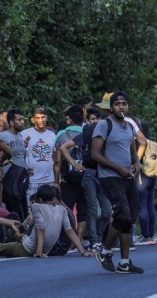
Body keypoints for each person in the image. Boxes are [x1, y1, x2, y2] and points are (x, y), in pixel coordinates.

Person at [92, 91, 145, 274]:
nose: (121, 107)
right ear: (111, 107)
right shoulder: (104, 124)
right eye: (117, 104)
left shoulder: (129, 126)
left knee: (129, 219)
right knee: (122, 214)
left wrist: (136, 162)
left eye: (124, 104)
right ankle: (105, 252)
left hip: (127, 177)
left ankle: (124, 262)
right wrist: (117, 168)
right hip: (110, 177)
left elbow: (132, 150)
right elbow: (95, 154)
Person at [0, 185, 92, 258]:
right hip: (46, 249)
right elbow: (70, 231)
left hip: (27, 248)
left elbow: (40, 229)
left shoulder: (36, 207)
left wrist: (38, 252)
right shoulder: (62, 209)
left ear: (40, 199)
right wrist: (82, 251)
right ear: (53, 198)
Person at [60, 107, 110, 254]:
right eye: (92, 119)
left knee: (107, 211)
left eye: (97, 119)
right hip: (89, 174)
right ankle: (95, 242)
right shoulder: (87, 133)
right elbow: (63, 147)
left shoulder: (107, 133)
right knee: (93, 209)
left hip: (105, 173)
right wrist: (74, 163)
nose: (95, 121)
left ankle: (98, 239)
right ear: (87, 121)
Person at [53, 104, 88, 246]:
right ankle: (78, 240)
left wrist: (56, 181)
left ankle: (65, 240)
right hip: (86, 176)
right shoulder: (88, 132)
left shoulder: (61, 135)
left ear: (69, 120)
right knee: (84, 211)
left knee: (66, 209)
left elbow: (57, 161)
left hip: (68, 179)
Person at [21, 106, 57, 204]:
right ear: (32, 119)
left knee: (49, 209)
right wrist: (24, 169)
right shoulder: (25, 134)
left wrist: (56, 180)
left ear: (46, 118)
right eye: (38, 118)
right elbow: (19, 155)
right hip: (32, 180)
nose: (41, 120)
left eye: (43, 117)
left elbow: (54, 157)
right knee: (31, 209)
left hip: (49, 179)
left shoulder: (52, 135)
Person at [0, 109, 30, 218]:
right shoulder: (3, 137)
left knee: (23, 210)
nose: (22, 122)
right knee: (13, 211)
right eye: (19, 120)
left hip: (20, 178)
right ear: (11, 122)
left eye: (23, 119)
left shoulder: (20, 136)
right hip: (9, 179)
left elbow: (21, 156)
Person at [134, 119, 157, 245]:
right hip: (152, 175)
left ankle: (145, 235)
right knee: (150, 204)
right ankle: (151, 234)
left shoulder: (137, 142)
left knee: (141, 205)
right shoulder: (151, 142)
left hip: (141, 176)